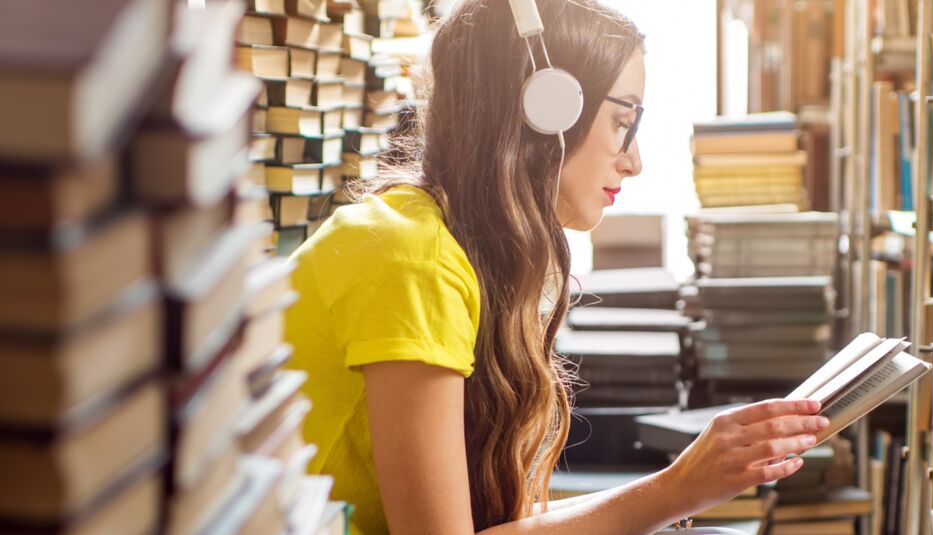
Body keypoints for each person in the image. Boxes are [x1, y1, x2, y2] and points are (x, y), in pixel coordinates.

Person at [284, 0, 830, 533]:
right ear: (548, 110)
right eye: (622, 122)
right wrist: (678, 486)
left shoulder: (465, 248)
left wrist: (677, 495)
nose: (634, 161)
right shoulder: (410, 260)